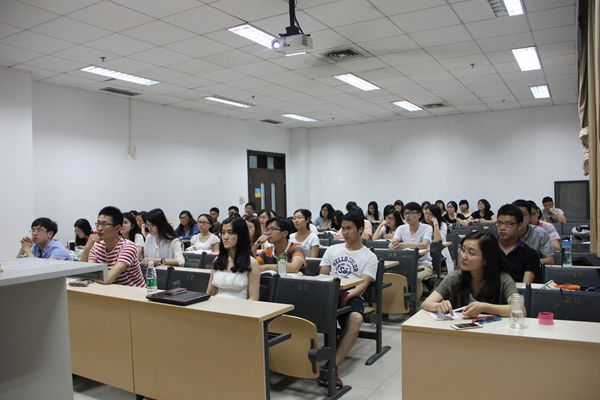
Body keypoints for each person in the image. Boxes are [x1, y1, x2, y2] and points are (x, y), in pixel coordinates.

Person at [319, 212, 378, 386]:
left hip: (352, 295)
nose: (344, 232)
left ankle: (331, 367)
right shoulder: (332, 250)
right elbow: (323, 275)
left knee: (356, 319)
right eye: (342, 228)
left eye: (349, 228)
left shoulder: (369, 256)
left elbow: (364, 283)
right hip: (329, 293)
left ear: (360, 229)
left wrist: (348, 296)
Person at [421, 232, 518, 318]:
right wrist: (438, 306)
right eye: (463, 250)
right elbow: (426, 303)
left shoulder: (503, 279)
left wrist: (485, 307)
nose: (463, 256)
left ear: (486, 259)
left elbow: (518, 308)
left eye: (471, 253)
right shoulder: (455, 277)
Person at [80, 206, 145, 287]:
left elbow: (108, 278)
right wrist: (87, 248)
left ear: (118, 228)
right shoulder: (97, 246)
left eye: (104, 224)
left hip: (133, 293)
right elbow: (82, 272)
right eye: (98, 223)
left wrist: (88, 275)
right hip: (109, 291)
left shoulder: (128, 247)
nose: (99, 228)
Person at [206, 217, 260, 300]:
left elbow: (253, 298)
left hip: (240, 306)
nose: (225, 237)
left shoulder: (252, 263)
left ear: (241, 235)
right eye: (223, 233)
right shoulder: (217, 260)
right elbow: (209, 293)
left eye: (230, 232)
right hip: (216, 305)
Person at [389, 202, 433, 298]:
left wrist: (403, 245)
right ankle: (399, 301)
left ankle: (415, 303)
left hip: (423, 264)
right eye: (406, 213)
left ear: (419, 215)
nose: (408, 216)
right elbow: (392, 243)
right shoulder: (401, 228)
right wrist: (393, 245)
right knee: (390, 276)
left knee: (415, 277)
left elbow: (424, 245)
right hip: (404, 264)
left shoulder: (427, 228)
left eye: (411, 213)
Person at [496, 204, 540, 283]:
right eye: (499, 223)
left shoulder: (530, 254)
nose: (502, 228)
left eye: (509, 224)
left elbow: (525, 286)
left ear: (519, 226)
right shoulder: (487, 248)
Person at [512, 200, 555, 265]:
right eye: (515, 215)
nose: (519, 218)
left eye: (523, 214)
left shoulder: (540, 233)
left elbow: (550, 260)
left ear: (529, 217)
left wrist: (525, 262)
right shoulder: (504, 232)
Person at [424, 204, 454, 271]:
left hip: (440, 252)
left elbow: (437, 241)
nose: (427, 216)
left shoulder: (443, 225)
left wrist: (435, 223)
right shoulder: (422, 225)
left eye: (430, 214)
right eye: (426, 213)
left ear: (436, 215)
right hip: (426, 252)